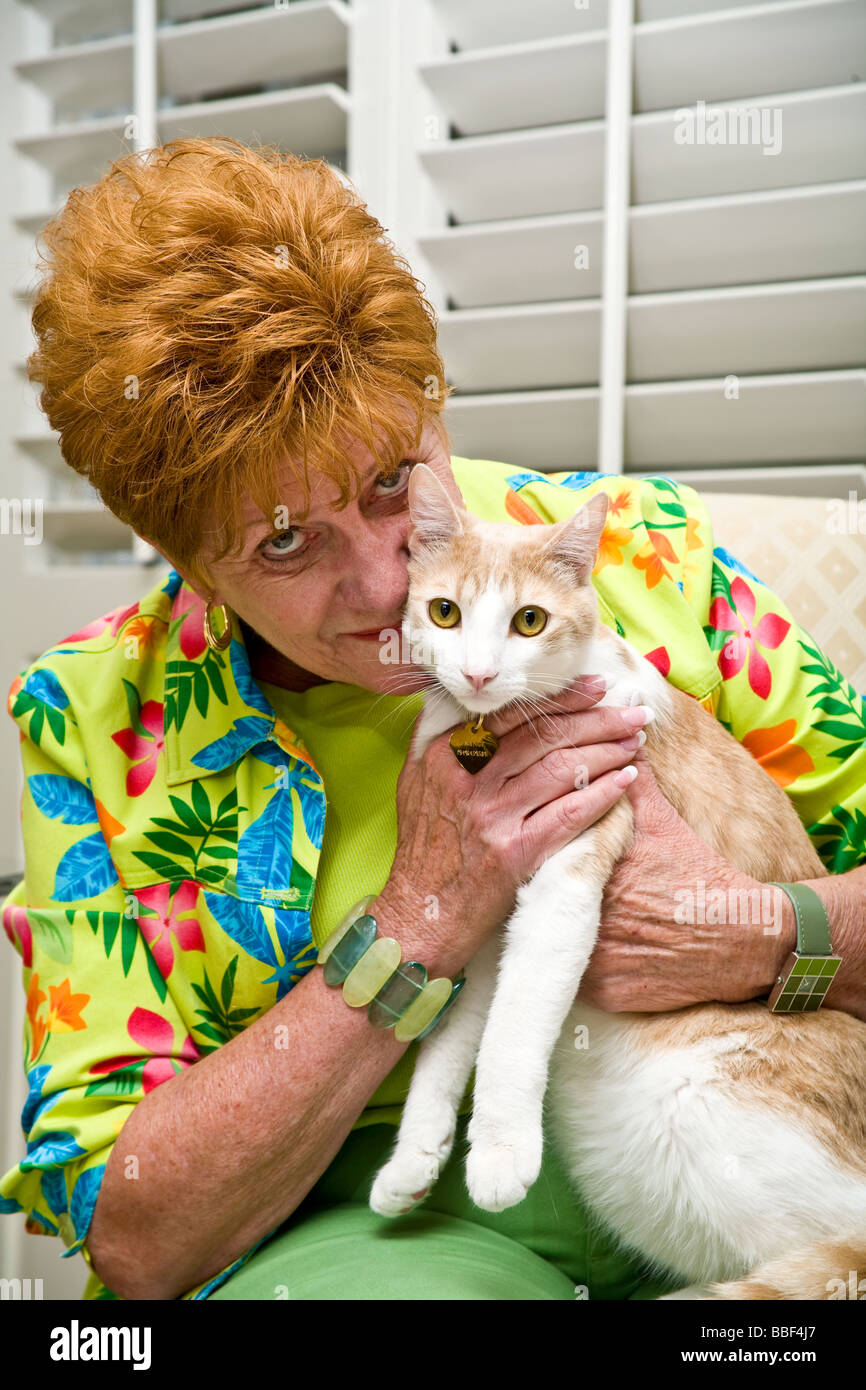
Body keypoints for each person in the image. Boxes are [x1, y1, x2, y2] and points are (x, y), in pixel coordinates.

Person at [2, 138, 864, 1303]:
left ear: (431, 410)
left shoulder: (643, 555)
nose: (383, 585)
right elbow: (138, 1232)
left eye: (389, 483)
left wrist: (758, 933)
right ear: (184, 562)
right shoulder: (97, 715)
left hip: (734, 1128)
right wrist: (418, 919)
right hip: (383, 1226)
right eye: (283, 542)